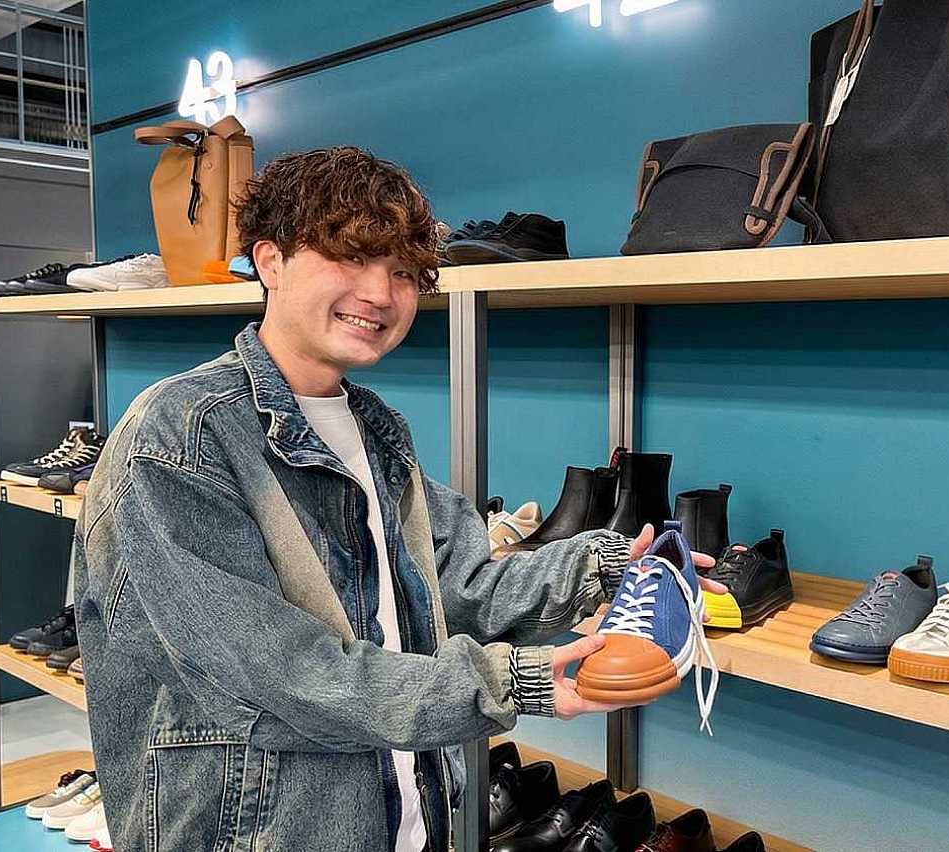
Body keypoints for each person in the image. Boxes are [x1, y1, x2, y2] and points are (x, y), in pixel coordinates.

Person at [72, 146, 722, 852]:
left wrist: (606, 565)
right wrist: (512, 683)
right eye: (351, 257)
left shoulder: (376, 430)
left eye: (404, 271)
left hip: (404, 820)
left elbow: (457, 589)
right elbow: (278, 676)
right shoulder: (179, 437)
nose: (381, 293)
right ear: (270, 260)